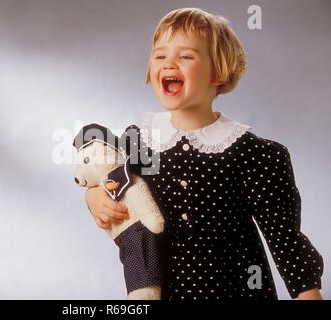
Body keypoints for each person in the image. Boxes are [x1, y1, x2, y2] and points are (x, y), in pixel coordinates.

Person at [83, 7, 323, 300]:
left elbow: (287, 243)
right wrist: (93, 197)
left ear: (217, 72)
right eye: (160, 56)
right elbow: (108, 182)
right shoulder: (139, 142)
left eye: (185, 56)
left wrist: (309, 294)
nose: (169, 63)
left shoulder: (255, 154)